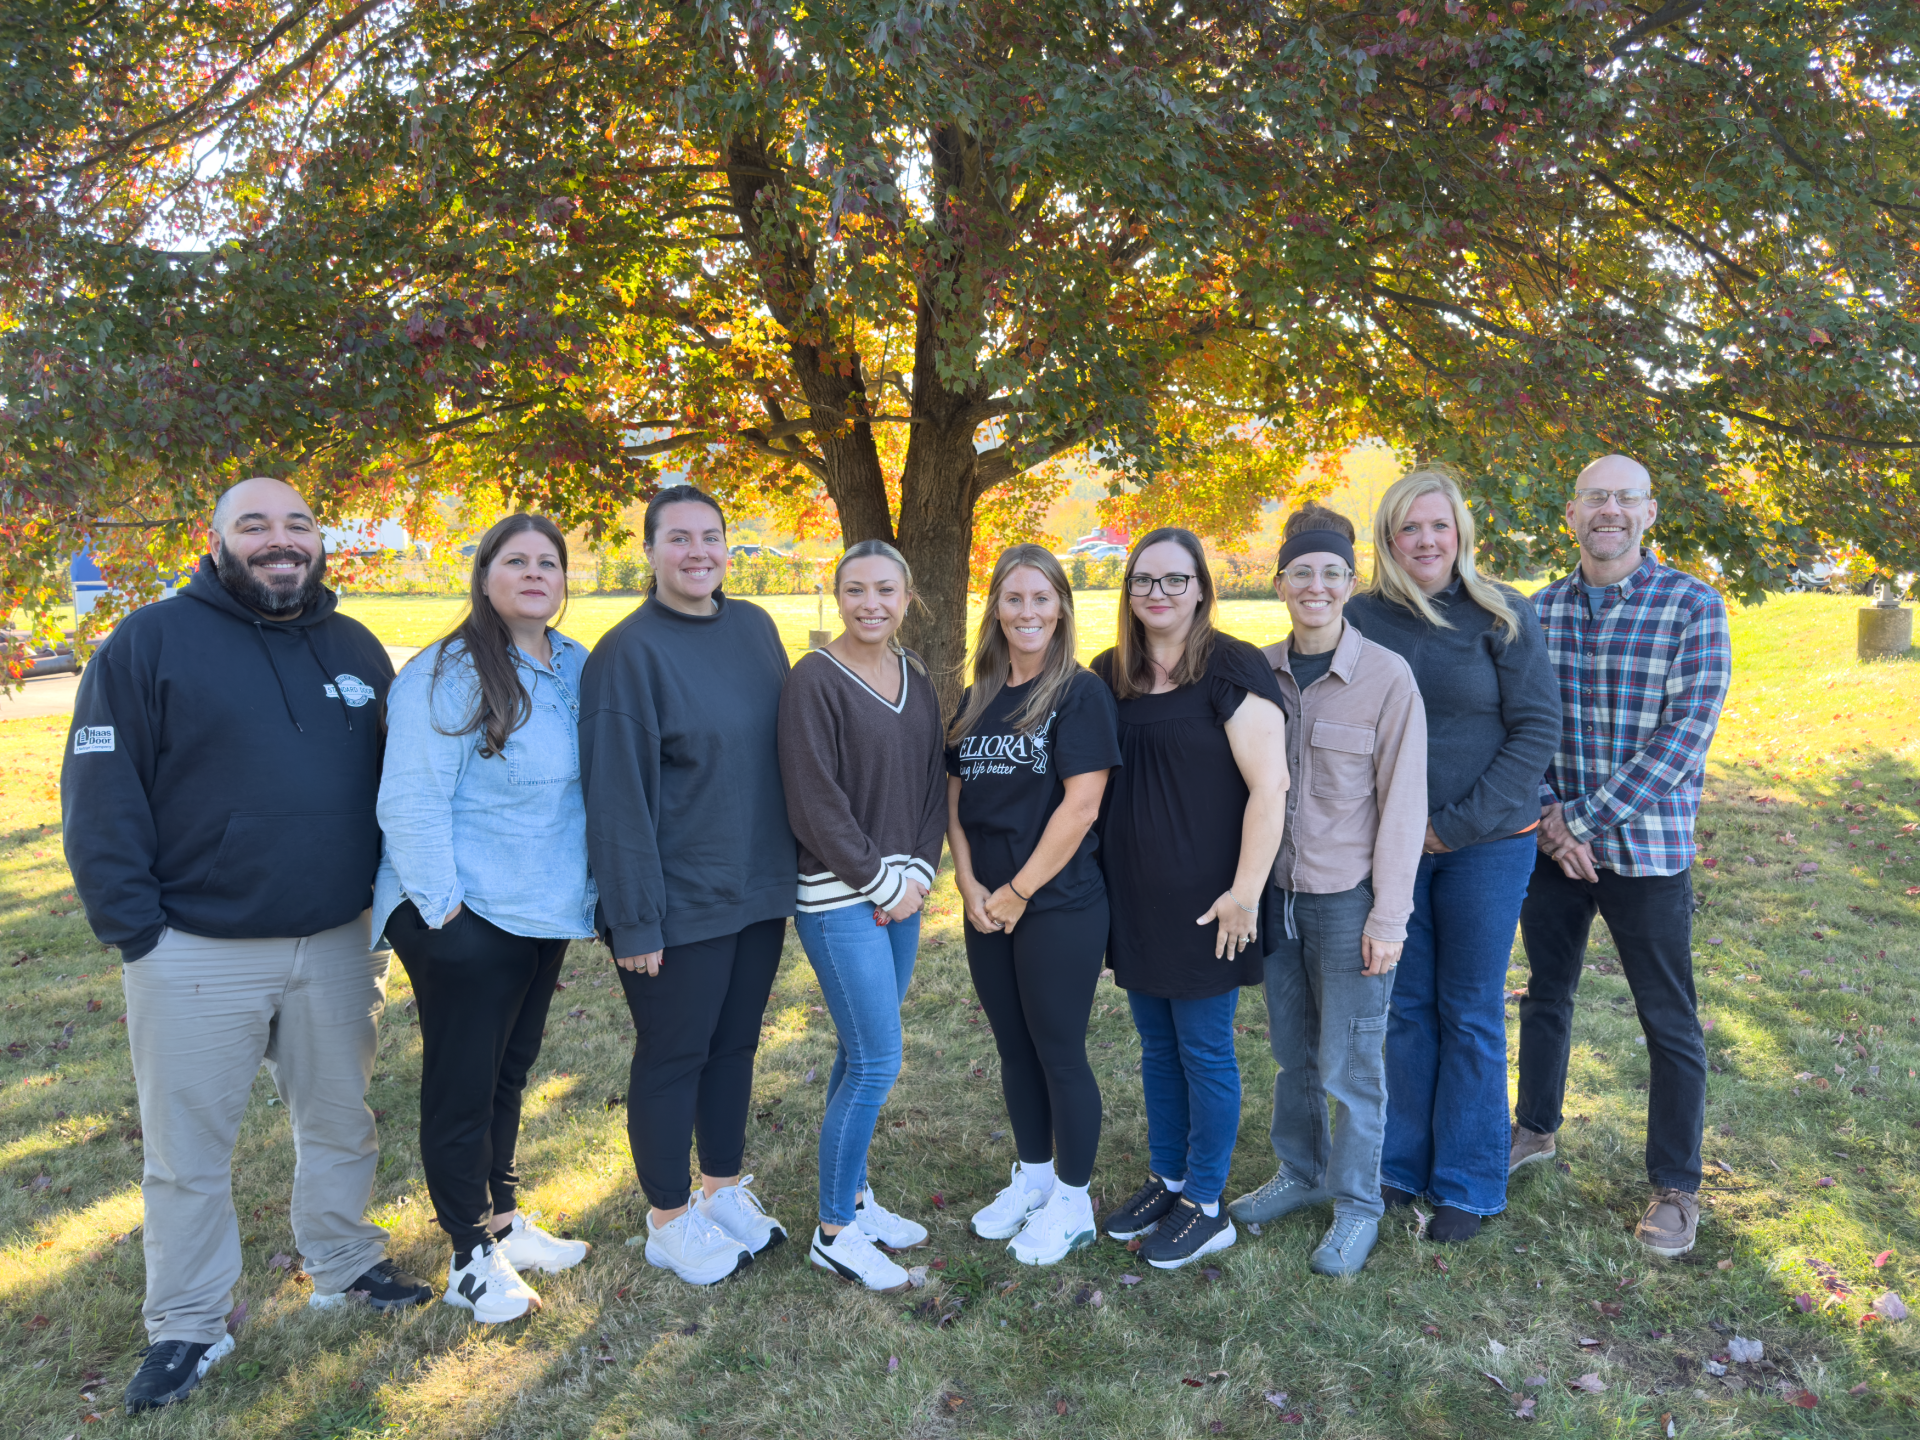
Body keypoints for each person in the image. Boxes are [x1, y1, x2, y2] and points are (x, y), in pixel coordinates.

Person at [61, 477, 432, 1416]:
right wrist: (134, 930)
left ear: (318, 541)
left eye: (297, 525)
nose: (280, 541)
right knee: (190, 1151)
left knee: (342, 1119)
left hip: (339, 939)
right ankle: (186, 1324)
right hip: (195, 945)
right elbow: (99, 795)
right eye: (255, 526)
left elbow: (402, 783)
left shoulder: (352, 646)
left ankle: (345, 1267)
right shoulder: (148, 643)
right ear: (217, 540)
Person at [374, 514, 594, 1324]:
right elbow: (409, 800)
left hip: (539, 907)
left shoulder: (571, 664)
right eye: (517, 560)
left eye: (549, 561)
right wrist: (446, 914)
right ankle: (469, 1252)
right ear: (485, 575)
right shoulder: (449, 671)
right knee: (463, 1083)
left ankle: (503, 1220)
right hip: (461, 912)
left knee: (509, 1071)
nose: (535, 573)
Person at [579, 485, 797, 1286]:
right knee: (676, 1055)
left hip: (758, 886)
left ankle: (721, 1189)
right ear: (649, 552)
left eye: (711, 537)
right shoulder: (627, 654)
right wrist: (634, 919)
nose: (698, 552)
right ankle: (668, 1219)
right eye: (679, 539)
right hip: (676, 900)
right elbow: (616, 798)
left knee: (735, 1047)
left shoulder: (754, 629)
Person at [1514, 456, 1730, 1257]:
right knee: (1546, 995)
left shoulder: (1693, 607)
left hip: (1648, 851)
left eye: (1624, 497)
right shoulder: (1537, 612)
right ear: (1571, 514)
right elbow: (1521, 726)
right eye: (1595, 497)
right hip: (1550, 849)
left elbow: (1683, 739)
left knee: (1667, 1019)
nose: (1609, 509)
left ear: (1649, 513)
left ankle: (1676, 1185)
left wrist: (1582, 823)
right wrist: (1546, 817)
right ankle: (1534, 1128)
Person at [1346, 468, 1561, 1243]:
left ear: (1461, 533)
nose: (1426, 540)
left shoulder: (1502, 614)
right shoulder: (1360, 618)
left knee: (1468, 1011)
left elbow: (1535, 730)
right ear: (1389, 540)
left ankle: (1469, 1180)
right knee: (1403, 1009)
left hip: (1487, 846)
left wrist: (1451, 826)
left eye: (1438, 526)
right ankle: (1401, 1165)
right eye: (1410, 528)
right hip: (1390, 845)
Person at [1228, 506, 1428, 1276]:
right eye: (1301, 572)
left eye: (1331, 573)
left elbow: (1404, 805)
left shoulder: (1386, 677)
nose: (1316, 586)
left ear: (1351, 583)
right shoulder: (1257, 672)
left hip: (1349, 902)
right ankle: (1300, 1173)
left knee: (1353, 1063)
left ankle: (1356, 1206)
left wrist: (1389, 916)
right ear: (1279, 583)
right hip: (1276, 898)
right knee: (1292, 1054)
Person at [1092, 527, 1290, 1270]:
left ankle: (1208, 1203)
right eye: (1145, 580)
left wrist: (1244, 894)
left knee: (1204, 1050)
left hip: (1216, 902)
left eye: (1176, 580)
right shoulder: (1110, 672)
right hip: (1134, 902)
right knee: (1155, 1046)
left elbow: (1270, 787)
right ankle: (1169, 1177)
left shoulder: (1230, 666)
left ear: (1202, 589)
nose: (1159, 593)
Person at [778, 540, 948, 1293]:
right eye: (855, 590)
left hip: (902, 894)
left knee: (858, 1054)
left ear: (908, 597)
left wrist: (914, 871)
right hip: (840, 900)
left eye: (885, 589)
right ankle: (834, 1232)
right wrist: (881, 881)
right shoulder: (813, 679)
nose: (870, 603)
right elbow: (814, 801)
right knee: (879, 1059)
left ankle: (855, 1196)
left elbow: (928, 787)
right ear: (837, 596)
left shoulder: (916, 677)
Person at [946, 545, 1122, 1265]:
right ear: (995, 608)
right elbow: (953, 800)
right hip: (985, 904)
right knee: (1012, 1049)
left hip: (1057, 905)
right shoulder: (978, 692)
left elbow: (1081, 808)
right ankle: (1035, 1178)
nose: (1027, 613)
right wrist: (966, 884)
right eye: (1014, 599)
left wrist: (1020, 892)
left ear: (1061, 609)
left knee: (1059, 1052)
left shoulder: (1079, 694)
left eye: (1041, 600)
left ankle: (1074, 1201)